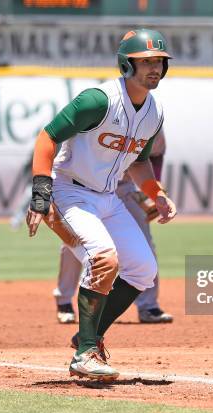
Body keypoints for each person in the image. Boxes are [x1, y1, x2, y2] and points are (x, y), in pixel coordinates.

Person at [26, 28, 177, 381]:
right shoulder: (98, 100)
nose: (154, 68)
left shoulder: (153, 113)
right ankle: (85, 354)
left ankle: (87, 337)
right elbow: (48, 137)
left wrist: (157, 193)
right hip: (71, 191)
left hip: (108, 197)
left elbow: (139, 163)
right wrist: (40, 194)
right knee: (104, 258)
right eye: (146, 62)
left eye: (159, 62)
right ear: (127, 64)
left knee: (142, 268)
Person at [53, 130, 173, 324]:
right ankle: (64, 301)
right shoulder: (102, 114)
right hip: (85, 187)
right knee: (75, 243)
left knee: (144, 243)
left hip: (123, 187)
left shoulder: (151, 120)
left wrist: (154, 190)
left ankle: (148, 306)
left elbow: (155, 154)